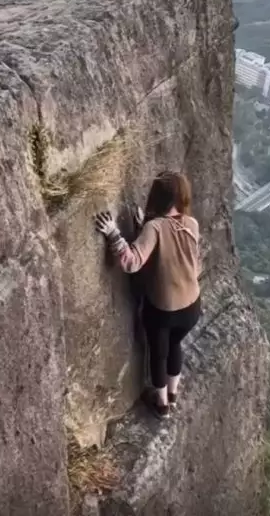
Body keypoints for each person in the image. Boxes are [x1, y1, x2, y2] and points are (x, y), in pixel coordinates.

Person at [94, 171, 202, 420]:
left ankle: (162, 405)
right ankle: (173, 394)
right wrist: (145, 227)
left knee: (158, 355)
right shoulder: (191, 224)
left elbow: (131, 262)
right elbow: (180, 251)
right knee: (175, 345)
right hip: (192, 307)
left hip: (164, 311)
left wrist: (113, 233)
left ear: (157, 196)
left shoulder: (154, 228)